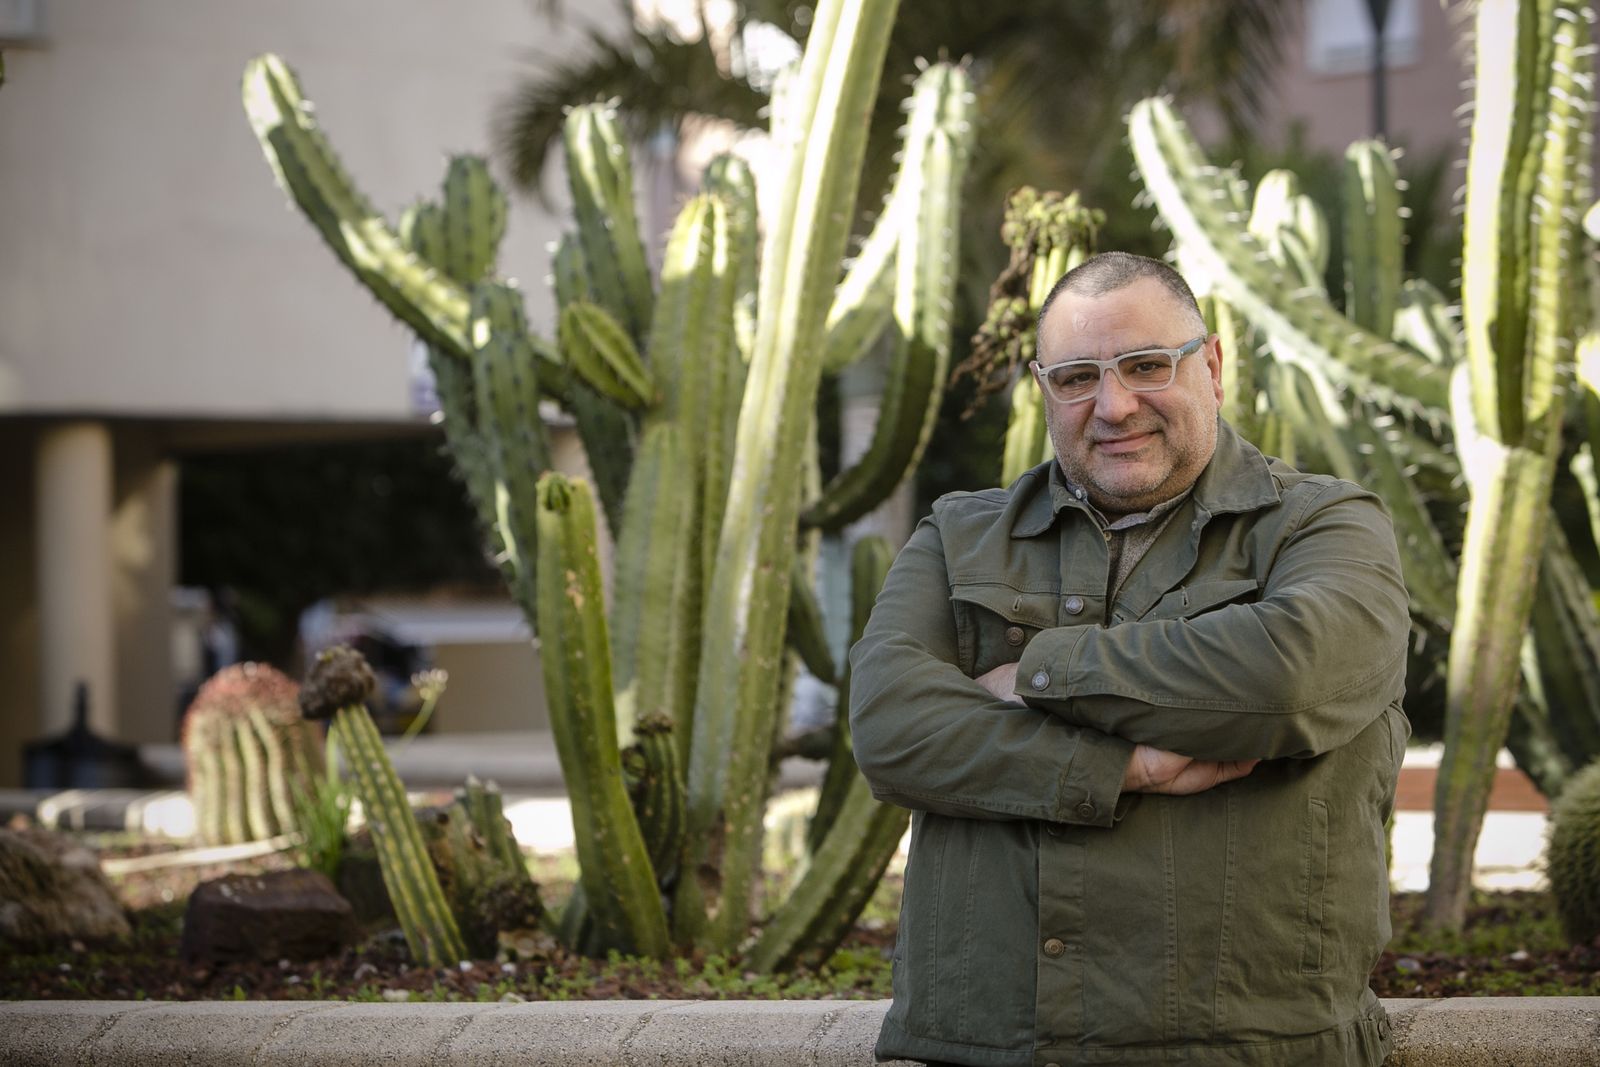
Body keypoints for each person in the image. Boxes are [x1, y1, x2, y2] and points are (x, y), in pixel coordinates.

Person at [849, 251, 1410, 1067]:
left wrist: (1038, 671)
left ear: (1211, 365)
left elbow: (1291, 675)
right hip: (991, 1049)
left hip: (1254, 1050)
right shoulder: (958, 536)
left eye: (1147, 365)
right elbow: (889, 725)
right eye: (1077, 377)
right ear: (1044, 388)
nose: (1114, 406)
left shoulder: (1322, 527)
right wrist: (1128, 766)